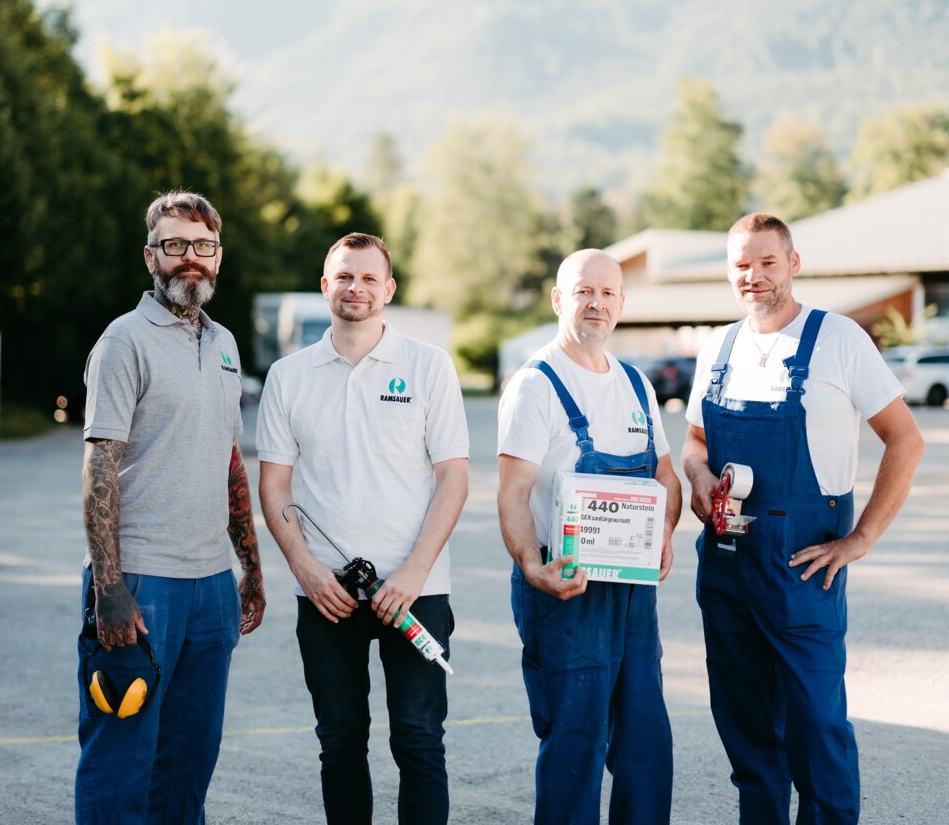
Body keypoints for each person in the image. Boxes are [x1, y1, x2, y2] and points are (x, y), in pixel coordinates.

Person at [682, 213, 925, 824]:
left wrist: (862, 536)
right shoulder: (719, 347)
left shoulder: (839, 339)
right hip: (728, 559)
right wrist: (698, 478)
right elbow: (693, 442)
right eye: (742, 264)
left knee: (818, 725)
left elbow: (906, 439)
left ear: (793, 262)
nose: (754, 276)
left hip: (803, 560)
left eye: (767, 261)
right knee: (745, 725)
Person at [256, 233, 469, 825]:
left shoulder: (429, 366)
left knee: (420, 741)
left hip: (415, 592)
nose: (357, 288)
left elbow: (454, 478)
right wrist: (305, 570)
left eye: (370, 278)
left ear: (389, 289)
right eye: (344, 276)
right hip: (327, 595)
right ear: (325, 286)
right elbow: (274, 488)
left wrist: (415, 571)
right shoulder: (289, 375)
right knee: (341, 744)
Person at [76, 191, 266, 824]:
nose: (191, 258)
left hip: (211, 586)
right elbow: (100, 465)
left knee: (189, 761)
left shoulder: (226, 344)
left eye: (203, 246)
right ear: (150, 257)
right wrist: (108, 588)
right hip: (141, 583)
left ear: (219, 256)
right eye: (175, 245)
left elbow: (229, 461)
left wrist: (252, 569)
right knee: (121, 758)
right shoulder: (123, 342)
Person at [497, 248, 682, 825]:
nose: (596, 303)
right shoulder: (536, 386)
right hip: (567, 591)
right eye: (583, 291)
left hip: (632, 594)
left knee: (645, 743)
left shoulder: (635, 384)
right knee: (575, 744)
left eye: (607, 293)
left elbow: (665, 475)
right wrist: (533, 566)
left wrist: (666, 533)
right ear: (559, 300)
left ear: (622, 304)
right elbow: (512, 492)